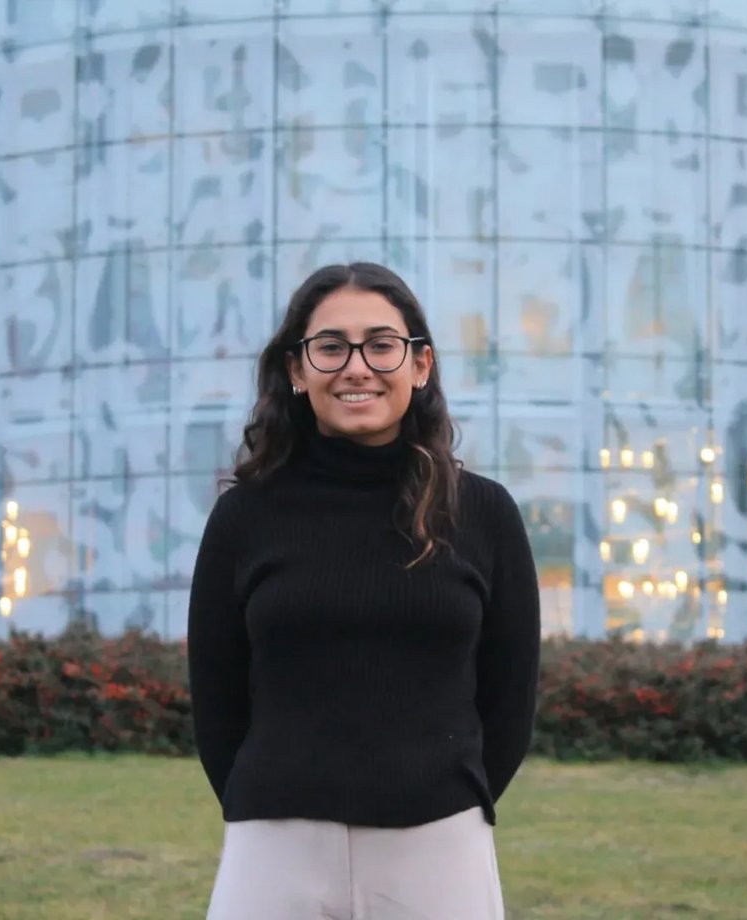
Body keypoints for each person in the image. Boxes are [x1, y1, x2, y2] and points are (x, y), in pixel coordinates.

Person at [187, 262, 541, 919]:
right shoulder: (243, 517)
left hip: (438, 844)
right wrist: (269, 802)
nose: (357, 367)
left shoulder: (484, 514)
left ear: (421, 364)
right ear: (297, 370)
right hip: (274, 845)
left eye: (381, 345)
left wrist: (442, 795)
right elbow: (216, 696)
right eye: (331, 347)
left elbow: (510, 696)